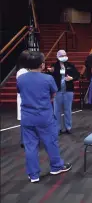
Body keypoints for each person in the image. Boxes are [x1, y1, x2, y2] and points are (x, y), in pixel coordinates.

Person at [17, 51, 72, 183]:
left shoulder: (20, 79)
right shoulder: (48, 79)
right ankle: (56, 166)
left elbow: (20, 92)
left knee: (30, 146)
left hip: (27, 117)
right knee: (50, 142)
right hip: (44, 116)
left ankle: (33, 175)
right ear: (42, 65)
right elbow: (53, 95)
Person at [48, 50, 80, 134]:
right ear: (57, 56)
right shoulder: (54, 66)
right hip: (57, 91)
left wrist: (72, 78)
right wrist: (50, 71)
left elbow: (77, 75)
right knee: (56, 111)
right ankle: (57, 128)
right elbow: (50, 77)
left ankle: (68, 127)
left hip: (68, 91)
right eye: (61, 55)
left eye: (65, 55)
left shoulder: (70, 65)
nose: (64, 56)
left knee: (67, 110)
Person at [16, 50, 30, 148]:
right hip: (24, 98)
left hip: (28, 98)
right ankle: (24, 141)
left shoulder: (27, 70)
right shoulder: (22, 72)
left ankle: (28, 140)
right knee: (25, 121)